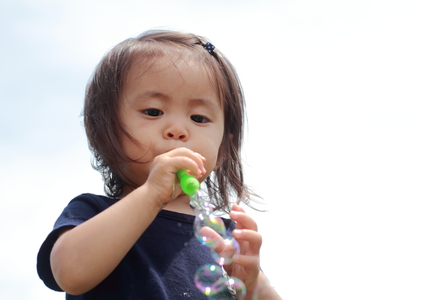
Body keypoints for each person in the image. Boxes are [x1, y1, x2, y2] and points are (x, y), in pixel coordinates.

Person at [37, 29, 282, 300]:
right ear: (102, 130)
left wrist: (251, 285)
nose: (178, 130)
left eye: (199, 118)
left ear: (223, 148)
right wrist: (152, 194)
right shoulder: (93, 213)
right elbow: (70, 274)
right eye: (153, 112)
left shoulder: (224, 239)